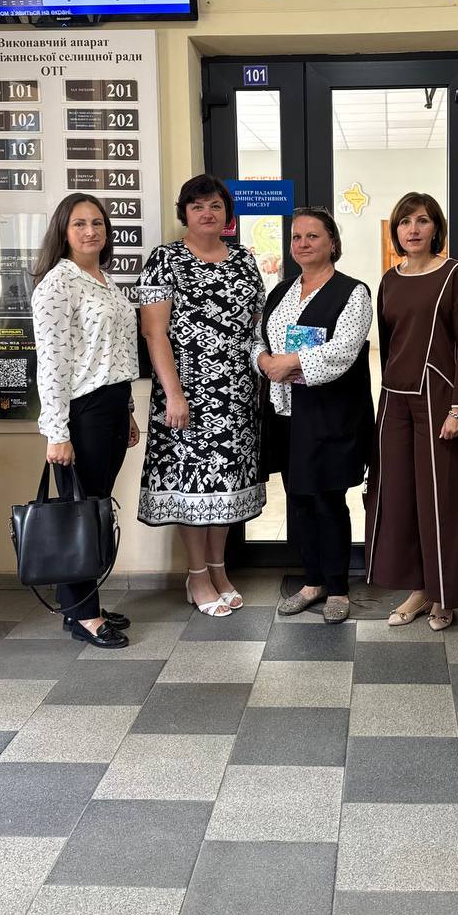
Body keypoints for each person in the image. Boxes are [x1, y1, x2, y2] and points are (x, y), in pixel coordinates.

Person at [137, 173, 265, 617]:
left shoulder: (244, 259)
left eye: (215, 205)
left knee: (224, 486)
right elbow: (154, 333)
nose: (207, 213)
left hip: (236, 393)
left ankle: (218, 569)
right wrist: (174, 394)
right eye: (197, 206)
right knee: (192, 485)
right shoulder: (164, 259)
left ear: (227, 212)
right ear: (184, 213)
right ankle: (196, 575)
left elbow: (255, 325)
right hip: (186, 395)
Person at [365, 192, 458, 630]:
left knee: (441, 498)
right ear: (396, 230)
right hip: (393, 400)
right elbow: (389, 345)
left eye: (422, 220)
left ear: (436, 229)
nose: (413, 229)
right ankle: (418, 590)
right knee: (400, 498)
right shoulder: (389, 280)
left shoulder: (454, 273)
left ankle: (444, 595)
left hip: (439, 399)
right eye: (405, 221)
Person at [254, 208, 373, 624]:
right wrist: (265, 362)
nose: (303, 244)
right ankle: (312, 582)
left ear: (332, 243)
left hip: (329, 413)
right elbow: (258, 339)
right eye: (297, 237)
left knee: (327, 499)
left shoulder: (352, 292)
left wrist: (289, 363)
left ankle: (338, 587)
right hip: (287, 413)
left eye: (313, 236)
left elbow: (343, 350)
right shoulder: (281, 292)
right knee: (299, 498)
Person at [31, 193, 140, 649]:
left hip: (112, 405)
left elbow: (116, 352)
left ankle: (78, 603)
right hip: (82, 412)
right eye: (79, 223)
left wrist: (128, 409)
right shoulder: (57, 285)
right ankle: (85, 617)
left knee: (93, 508)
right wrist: (57, 432)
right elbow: (52, 365)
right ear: (64, 231)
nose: (91, 231)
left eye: (97, 222)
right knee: (83, 514)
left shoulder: (104, 281)